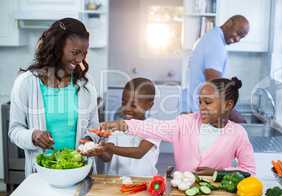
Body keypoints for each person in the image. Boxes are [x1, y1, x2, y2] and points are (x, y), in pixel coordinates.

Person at [97, 77, 256, 175]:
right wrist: (121, 124)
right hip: (182, 193)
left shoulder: (238, 134)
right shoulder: (185, 122)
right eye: (199, 102)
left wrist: (218, 173)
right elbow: (153, 128)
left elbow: (249, 171)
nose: (202, 107)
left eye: (208, 102)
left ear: (228, 105)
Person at [9, 18, 100, 176]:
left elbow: (94, 127)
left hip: (80, 171)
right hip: (42, 174)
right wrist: (33, 136)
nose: (79, 60)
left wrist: (88, 139)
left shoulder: (85, 83)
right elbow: (14, 130)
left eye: (84, 53)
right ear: (57, 48)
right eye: (74, 52)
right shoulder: (26, 82)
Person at [82, 78, 161, 176]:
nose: (126, 108)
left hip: (144, 183)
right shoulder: (116, 127)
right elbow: (108, 158)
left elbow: (139, 152)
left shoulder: (153, 126)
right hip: (115, 182)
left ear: (149, 105)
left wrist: (107, 148)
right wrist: (95, 148)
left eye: (133, 105)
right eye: (124, 103)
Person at [181, 15, 249, 123]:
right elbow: (216, 86)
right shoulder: (215, 44)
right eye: (237, 33)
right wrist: (237, 118)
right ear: (229, 23)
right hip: (203, 114)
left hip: (197, 111)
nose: (237, 39)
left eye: (241, 37)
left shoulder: (211, 38)